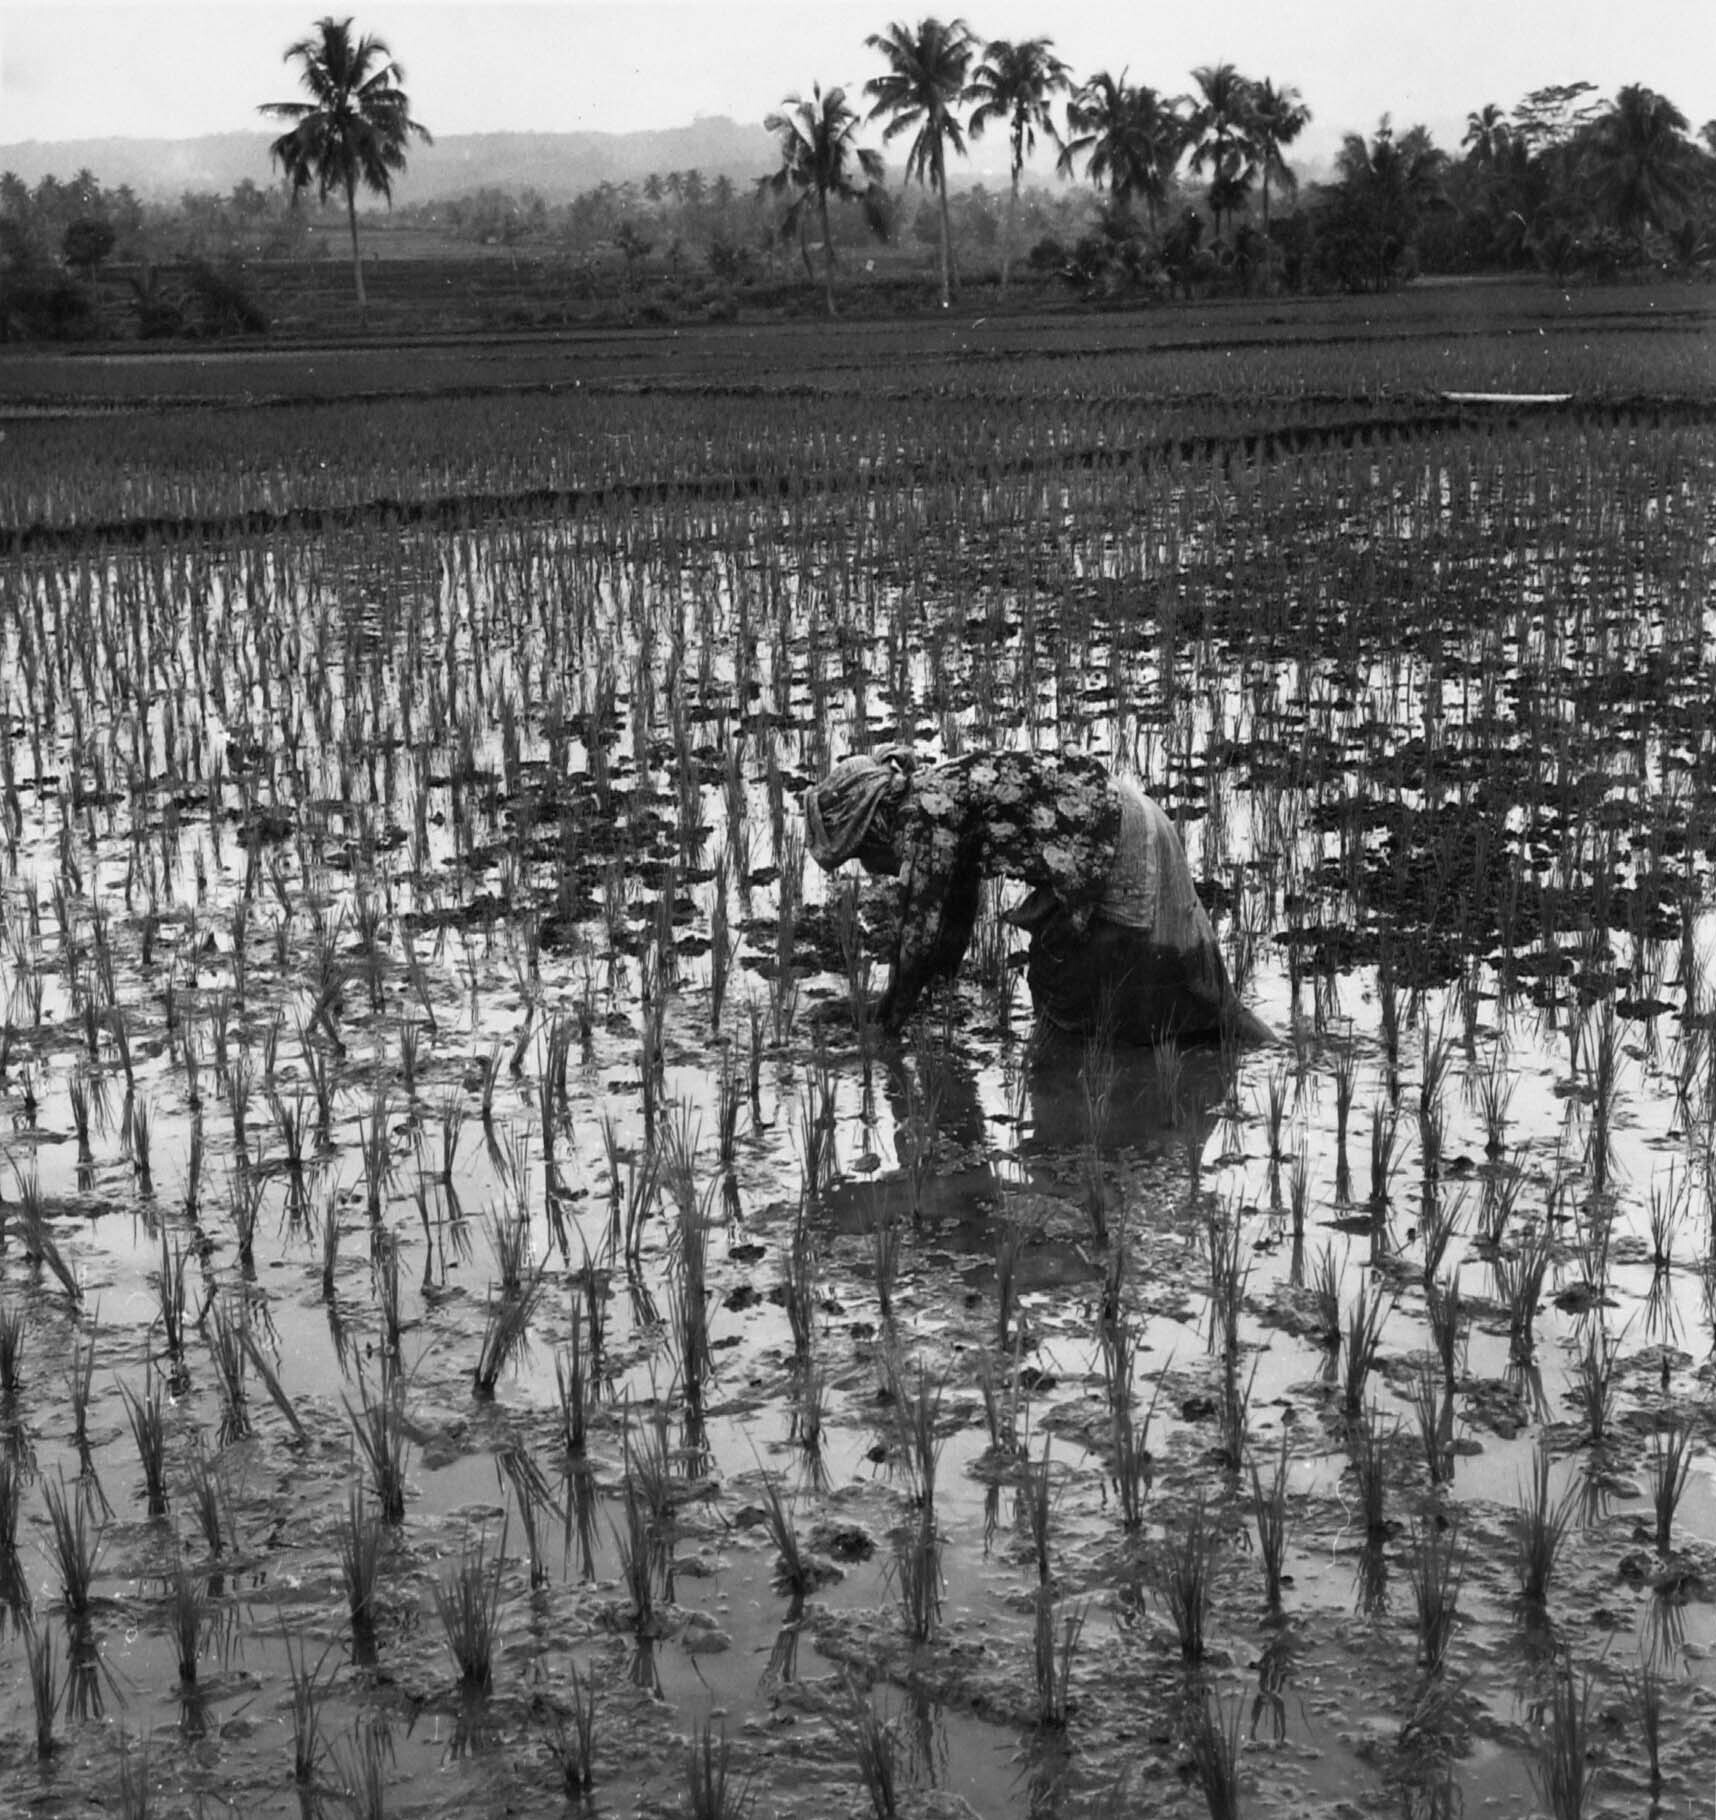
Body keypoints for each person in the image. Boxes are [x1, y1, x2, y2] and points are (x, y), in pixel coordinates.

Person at [804, 746, 1270, 1045]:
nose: (870, 869)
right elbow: (956, 911)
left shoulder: (922, 819)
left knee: (1068, 997)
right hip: (1130, 818)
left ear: (871, 827)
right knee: (1201, 1002)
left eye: (860, 854)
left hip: (1119, 845)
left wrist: (886, 1027)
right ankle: (1259, 1050)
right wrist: (932, 987)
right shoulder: (933, 795)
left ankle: (1106, 1107)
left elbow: (919, 936)